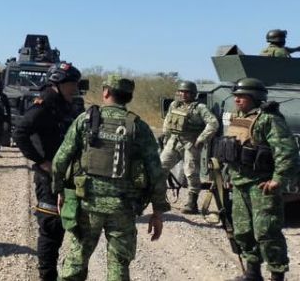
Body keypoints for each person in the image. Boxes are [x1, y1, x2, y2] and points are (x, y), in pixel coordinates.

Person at [53, 74, 168, 281]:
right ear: (129, 97)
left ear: (106, 92)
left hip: (87, 205)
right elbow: (156, 172)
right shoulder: (138, 127)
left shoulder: (85, 120)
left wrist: (59, 190)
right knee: (118, 267)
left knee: (76, 262)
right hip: (123, 209)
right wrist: (158, 211)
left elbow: (61, 159)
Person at [214, 78, 300, 281]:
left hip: (262, 185)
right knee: (243, 230)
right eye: (236, 96)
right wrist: (227, 174)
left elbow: (286, 152)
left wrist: (278, 179)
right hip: (239, 183)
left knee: (267, 232)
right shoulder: (238, 118)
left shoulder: (269, 119)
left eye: (242, 96)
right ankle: (253, 273)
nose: (237, 100)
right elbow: (231, 150)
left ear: (255, 97)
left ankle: (277, 275)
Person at [13, 61, 84, 281]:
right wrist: (41, 161)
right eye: (72, 84)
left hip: (68, 177)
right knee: (51, 229)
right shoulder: (43, 105)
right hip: (49, 178)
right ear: (58, 83)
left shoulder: (67, 105)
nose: (75, 88)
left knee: (70, 226)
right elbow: (21, 132)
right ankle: (47, 276)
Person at [160, 80, 219, 213]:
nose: (183, 94)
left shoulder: (200, 108)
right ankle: (159, 200)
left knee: (191, 173)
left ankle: (192, 204)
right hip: (173, 141)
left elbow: (213, 123)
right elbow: (167, 121)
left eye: (186, 92)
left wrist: (201, 139)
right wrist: (165, 137)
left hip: (190, 143)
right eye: (181, 91)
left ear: (193, 94)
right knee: (160, 168)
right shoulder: (174, 105)